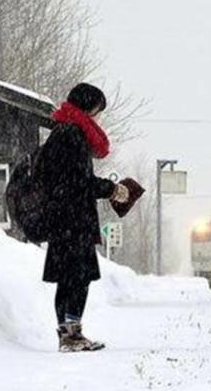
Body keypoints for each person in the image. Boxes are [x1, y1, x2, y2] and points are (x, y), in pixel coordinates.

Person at [36, 83, 129, 352]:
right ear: (88, 108)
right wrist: (112, 189)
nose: (97, 118)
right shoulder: (73, 135)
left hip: (61, 220)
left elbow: (64, 180)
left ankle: (67, 335)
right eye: (97, 112)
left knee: (68, 279)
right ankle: (72, 336)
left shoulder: (60, 133)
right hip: (74, 221)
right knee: (78, 278)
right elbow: (79, 182)